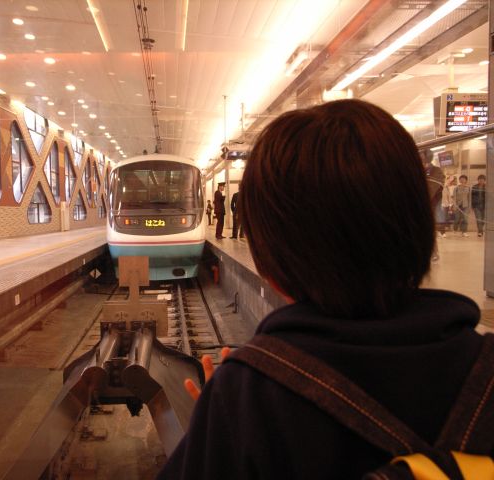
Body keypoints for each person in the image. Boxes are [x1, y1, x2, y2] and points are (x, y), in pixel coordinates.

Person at [158, 99, 489, 479]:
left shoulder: (248, 396)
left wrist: (214, 431)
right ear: (423, 227)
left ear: (269, 266)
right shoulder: (486, 371)